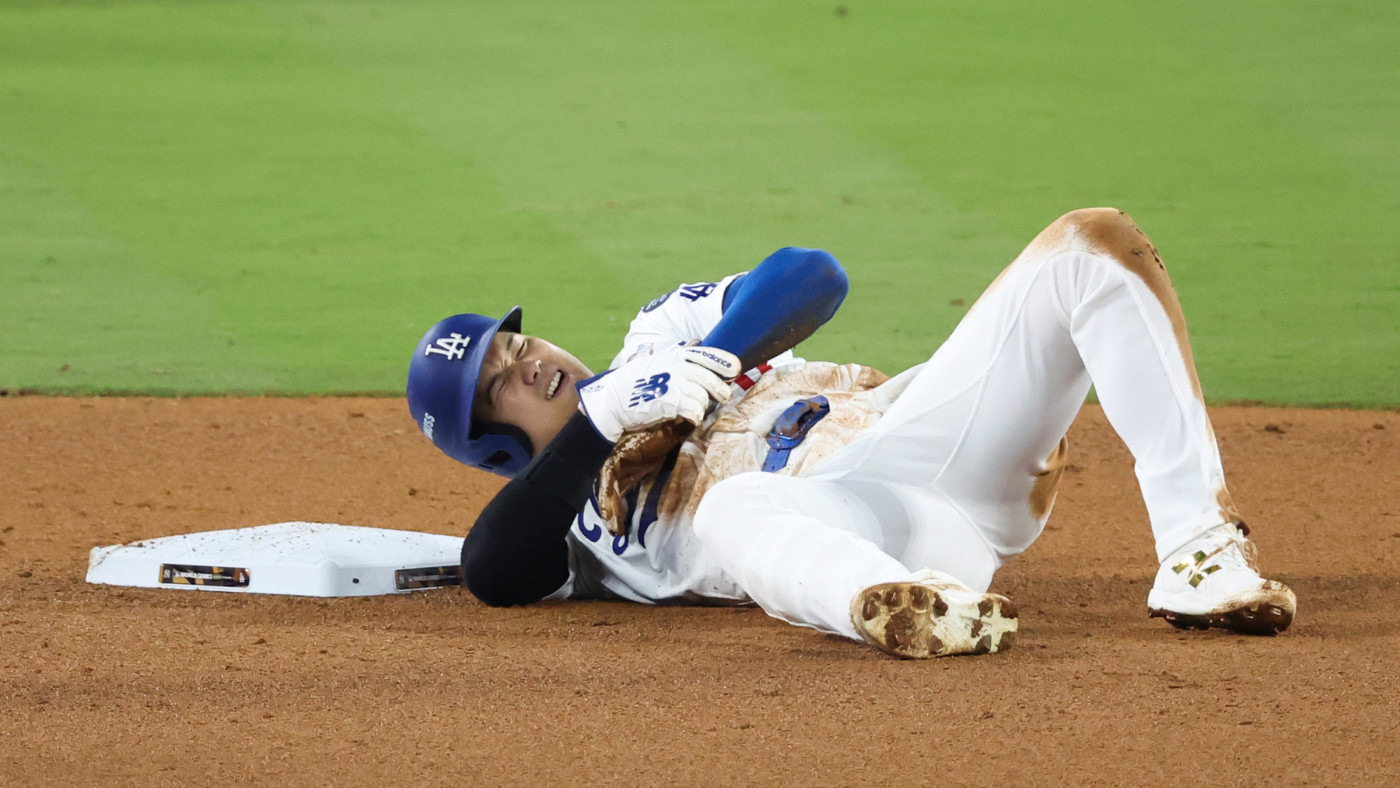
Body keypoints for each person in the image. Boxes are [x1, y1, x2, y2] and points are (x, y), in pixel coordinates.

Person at [406, 208, 1296, 659]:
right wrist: (603, 422)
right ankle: (911, 610)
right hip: (880, 537)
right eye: (501, 386)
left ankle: (1200, 553)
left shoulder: (657, 339)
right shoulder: (573, 528)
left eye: (516, 345)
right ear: (493, 449)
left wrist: (709, 361)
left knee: (1087, 245)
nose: (526, 365)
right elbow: (492, 569)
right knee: (735, 508)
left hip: (932, 440)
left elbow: (811, 276)